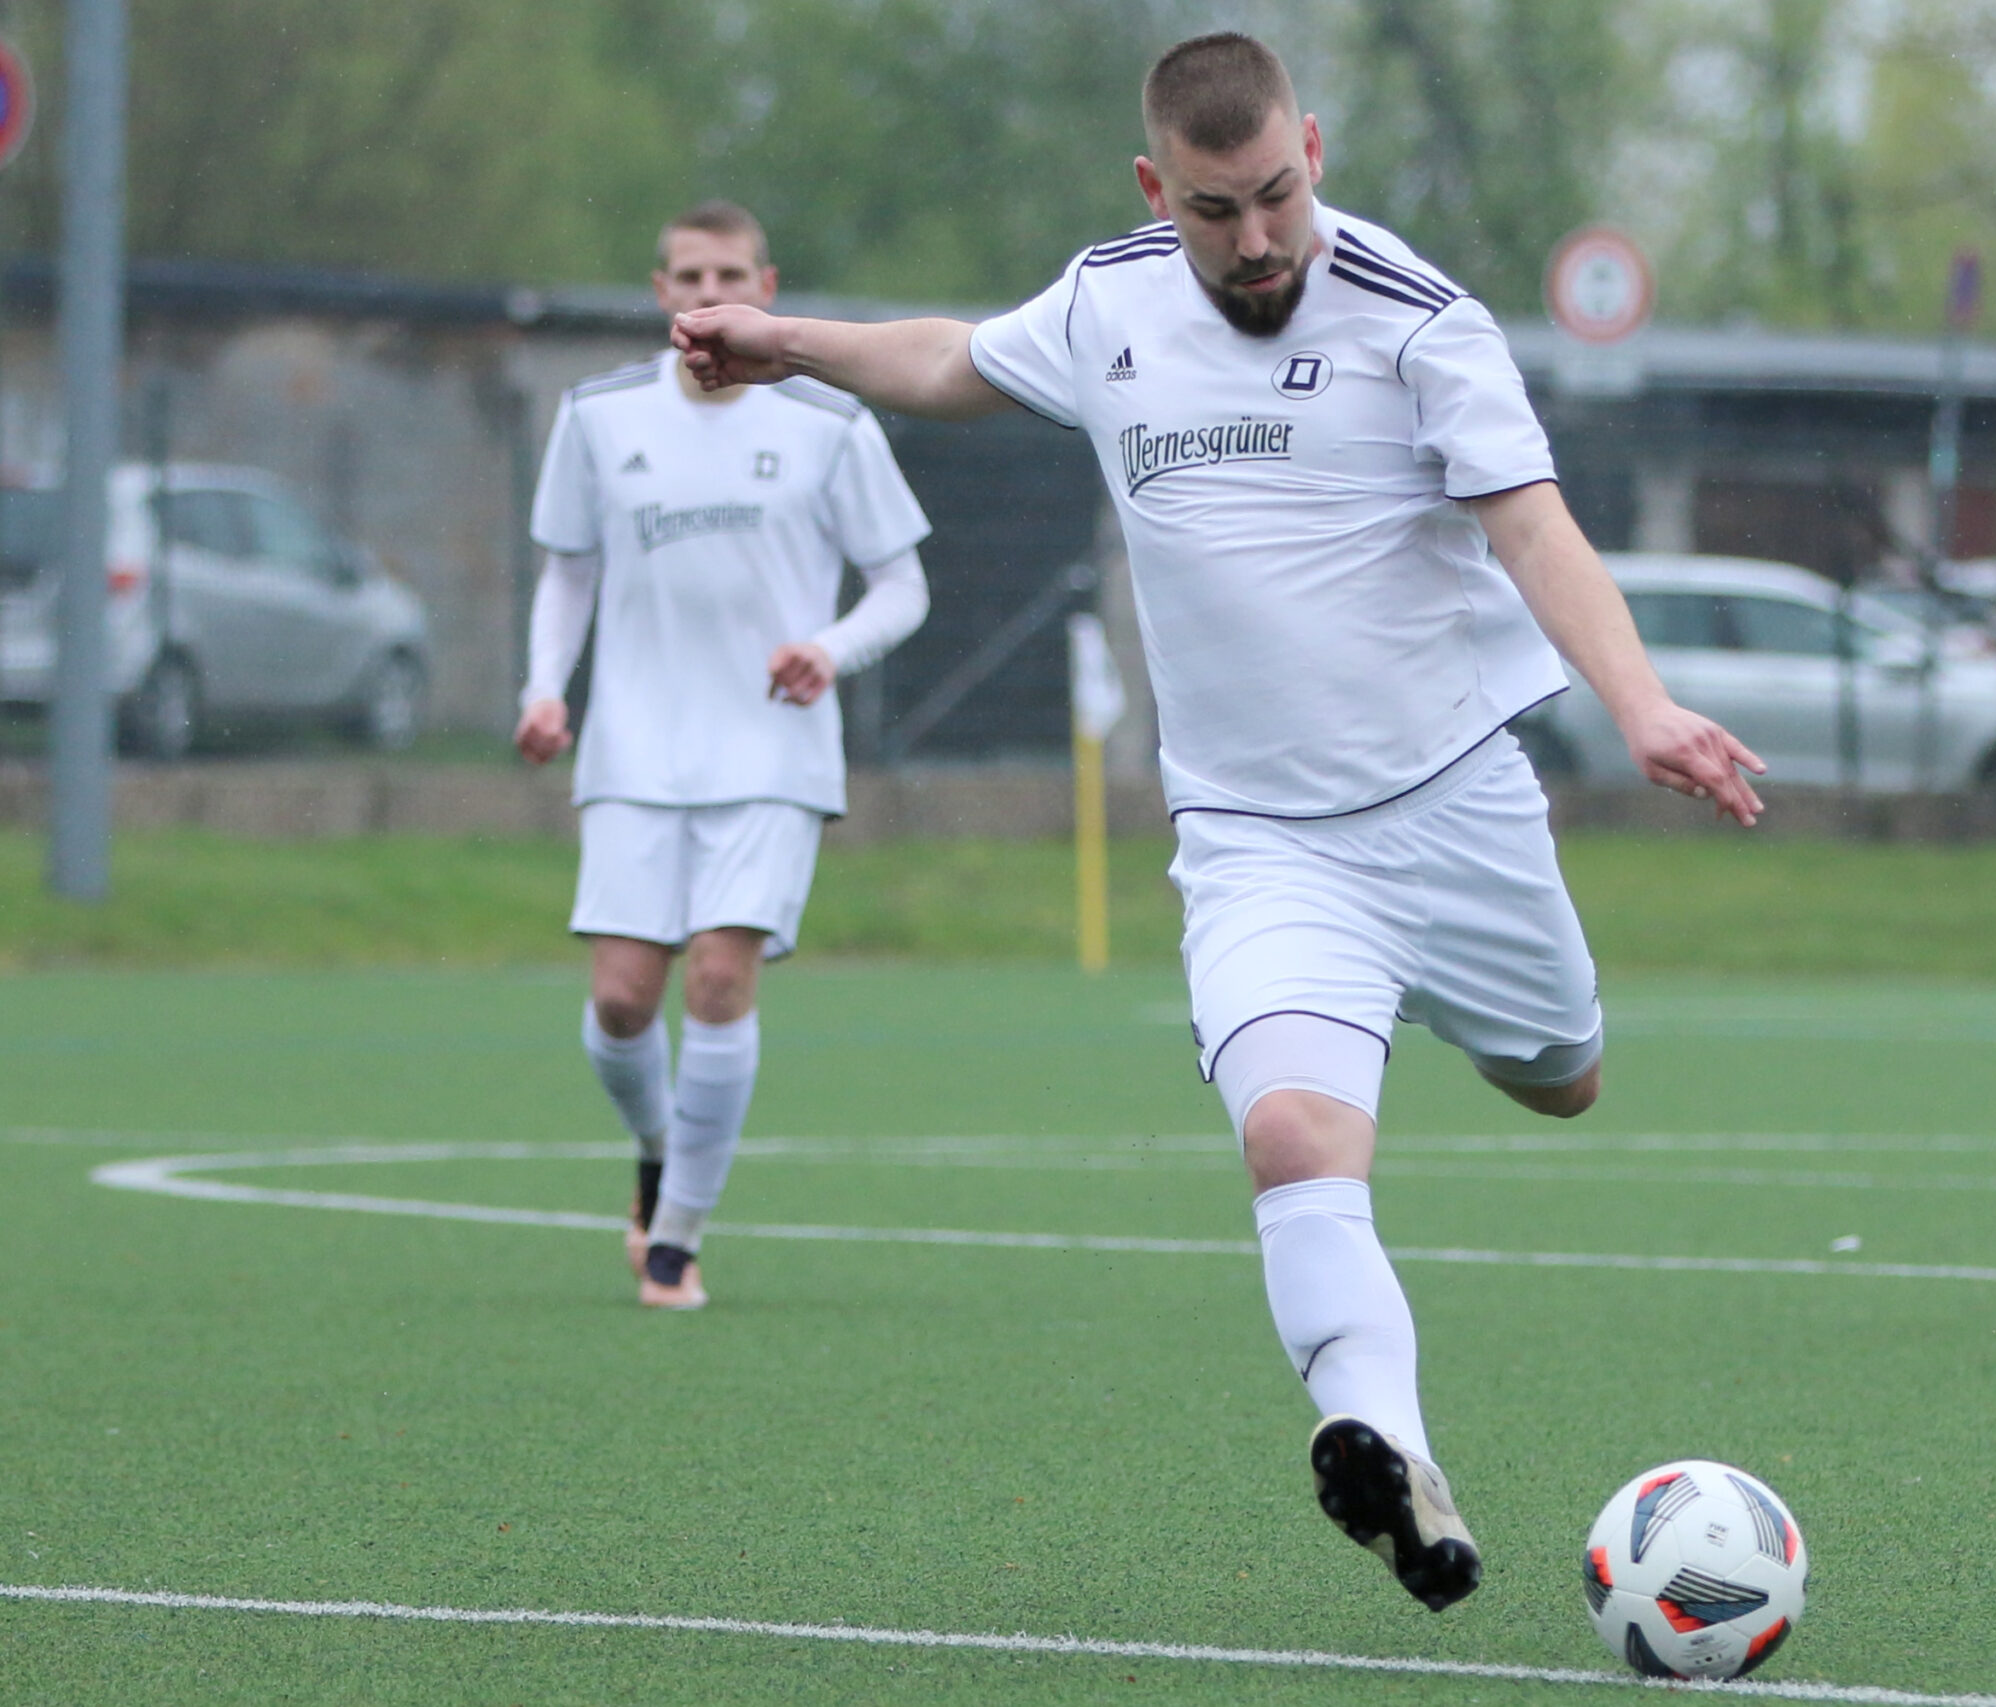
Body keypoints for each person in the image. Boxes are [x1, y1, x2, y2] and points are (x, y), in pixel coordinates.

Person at [670, 33, 1764, 1609]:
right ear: (1151, 190)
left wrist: (1643, 706)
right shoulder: (1110, 298)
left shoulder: (1420, 320)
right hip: (1261, 839)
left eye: (1277, 196)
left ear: (1312, 149)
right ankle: (1384, 1442)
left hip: (1455, 804)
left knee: (1564, 1078)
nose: (1256, 241)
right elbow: (951, 361)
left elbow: (1535, 524)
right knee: (1292, 1136)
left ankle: (1461, 1106)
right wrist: (785, 342)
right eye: (1214, 209)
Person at [515, 200, 933, 1310]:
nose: (708, 295)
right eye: (689, 277)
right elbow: (566, 571)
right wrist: (544, 693)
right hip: (633, 746)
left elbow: (903, 584)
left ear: (765, 284)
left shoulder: (829, 423)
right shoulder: (597, 416)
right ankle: (661, 1154)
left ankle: (677, 1242)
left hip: (772, 749)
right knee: (618, 1003)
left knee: (716, 976)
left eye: (729, 276)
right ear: (660, 292)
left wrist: (828, 650)